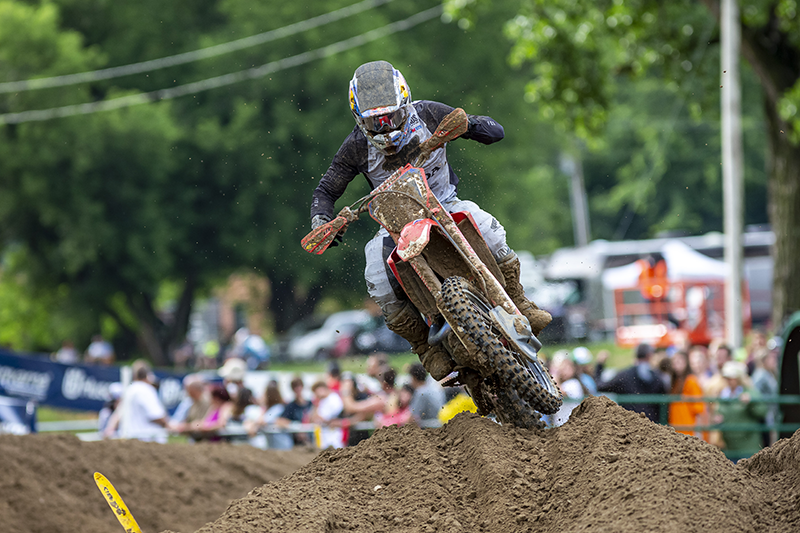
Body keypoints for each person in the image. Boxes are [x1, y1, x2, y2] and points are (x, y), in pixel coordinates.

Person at [309, 60, 552, 380]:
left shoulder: (427, 114)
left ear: (405, 103)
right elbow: (326, 189)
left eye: (391, 117)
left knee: (488, 230)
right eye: (375, 122)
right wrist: (321, 220)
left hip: (445, 204)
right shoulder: (355, 145)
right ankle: (426, 349)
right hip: (395, 224)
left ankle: (519, 300)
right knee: (377, 276)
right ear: (359, 119)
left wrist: (474, 127)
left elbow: (493, 130)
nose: (385, 127)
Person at [596, 343, 667, 423]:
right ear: (649, 355)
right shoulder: (658, 377)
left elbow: (600, 386)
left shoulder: (624, 376)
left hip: (630, 426)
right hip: (654, 426)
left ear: (635, 355)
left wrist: (600, 365)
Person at [713, 361, 769, 460]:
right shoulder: (723, 394)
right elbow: (718, 413)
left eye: (732, 378)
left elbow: (762, 411)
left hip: (748, 448)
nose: (729, 381)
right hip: (730, 447)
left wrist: (751, 402)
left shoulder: (750, 392)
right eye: (727, 378)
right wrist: (718, 419)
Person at [105, 360, 168, 442]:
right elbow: (157, 416)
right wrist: (169, 425)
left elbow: (117, 414)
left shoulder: (129, 390)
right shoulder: (147, 390)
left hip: (130, 440)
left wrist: (109, 429)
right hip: (149, 440)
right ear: (148, 375)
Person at [245, 380, 294, 450]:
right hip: (274, 446)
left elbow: (262, 421)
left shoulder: (277, 408)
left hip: (283, 446)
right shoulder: (273, 408)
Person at [667, 350, 705, 437]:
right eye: (674, 362)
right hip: (677, 428)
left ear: (686, 362)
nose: (676, 364)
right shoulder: (675, 382)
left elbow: (699, 409)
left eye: (679, 361)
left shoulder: (691, 381)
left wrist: (698, 432)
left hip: (688, 430)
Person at [169, 374, 211, 438]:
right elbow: (175, 422)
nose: (186, 392)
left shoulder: (210, 401)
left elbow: (205, 423)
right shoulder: (188, 401)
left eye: (187, 389)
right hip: (193, 438)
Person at [276, 376, 312, 446]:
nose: (298, 389)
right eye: (295, 386)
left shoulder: (310, 404)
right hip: (297, 443)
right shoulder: (290, 406)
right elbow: (280, 420)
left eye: (299, 386)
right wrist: (295, 427)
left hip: (311, 439)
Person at [309, 381, 345, 449]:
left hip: (335, 434)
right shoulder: (321, 401)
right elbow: (313, 418)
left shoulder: (334, 398)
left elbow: (327, 418)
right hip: (324, 436)